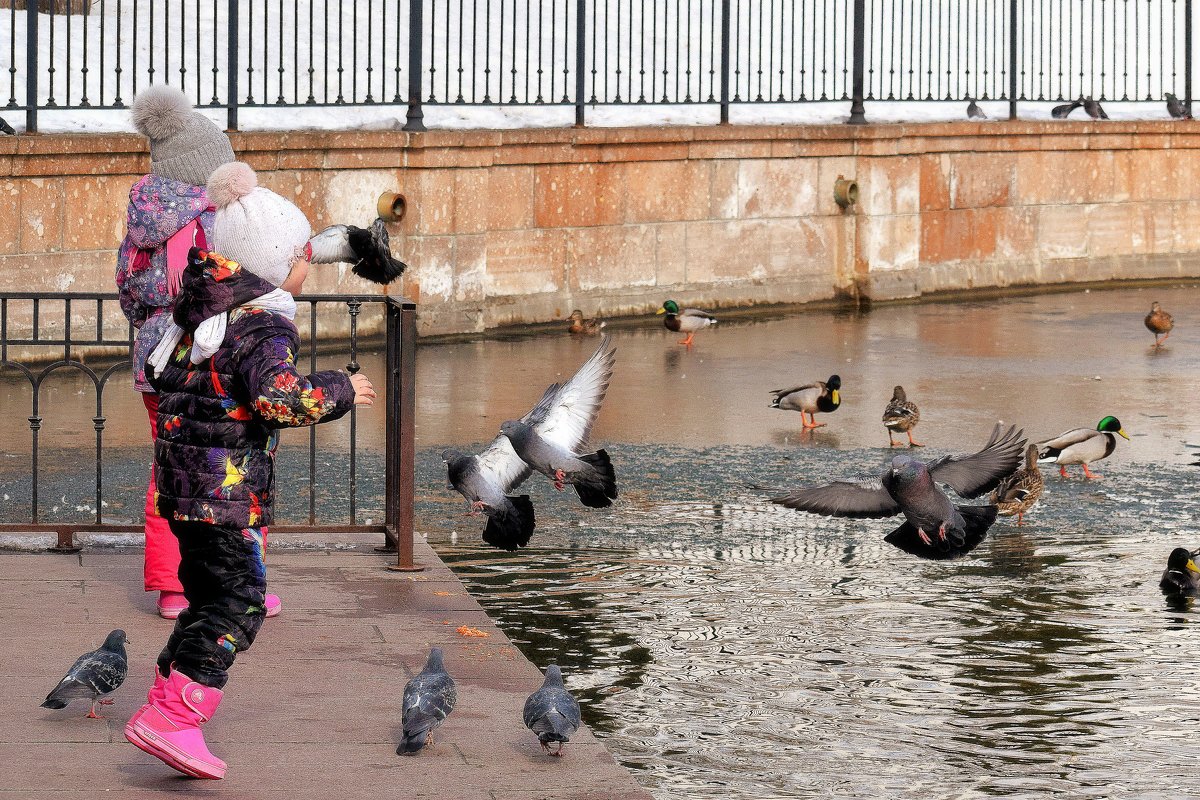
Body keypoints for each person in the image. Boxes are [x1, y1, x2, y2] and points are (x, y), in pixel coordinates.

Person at [123, 161, 376, 780]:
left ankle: (164, 701)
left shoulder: (200, 313)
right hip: (223, 493)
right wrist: (343, 386)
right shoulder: (263, 323)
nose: (307, 264)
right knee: (239, 603)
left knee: (207, 598)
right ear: (273, 263)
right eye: (300, 254)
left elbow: (163, 378)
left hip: (183, 488)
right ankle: (174, 720)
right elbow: (279, 398)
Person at [116, 85, 286, 619]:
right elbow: (251, 278)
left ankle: (173, 589)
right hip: (218, 363)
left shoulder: (141, 218)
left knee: (171, 469)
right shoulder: (222, 217)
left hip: (158, 364)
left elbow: (129, 291)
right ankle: (239, 584)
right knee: (237, 469)